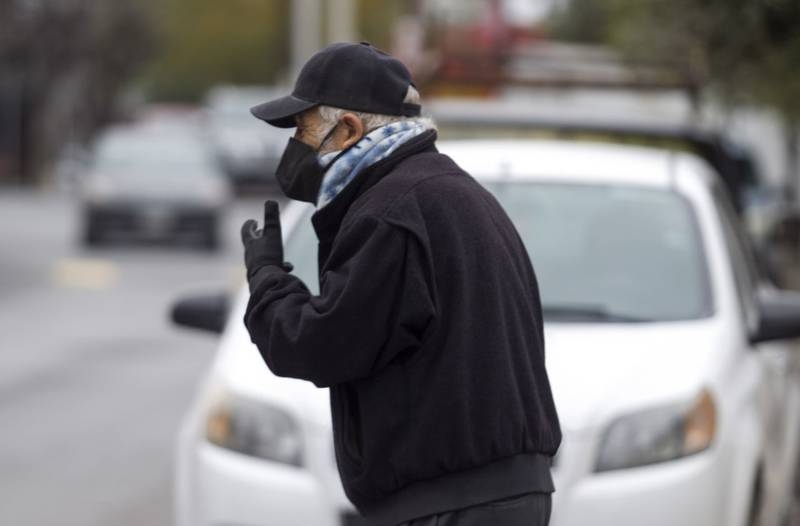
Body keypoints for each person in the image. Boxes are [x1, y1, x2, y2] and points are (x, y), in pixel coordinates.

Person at [240, 41, 561, 526]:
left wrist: (266, 281)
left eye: (302, 129)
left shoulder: (391, 213)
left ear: (347, 129)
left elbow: (323, 345)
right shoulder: (452, 192)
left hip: (448, 506)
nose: (293, 146)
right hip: (499, 496)